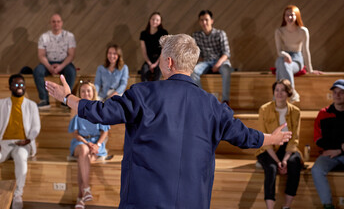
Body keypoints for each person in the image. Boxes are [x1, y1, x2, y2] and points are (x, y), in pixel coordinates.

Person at [46, 34, 292, 209]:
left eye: (162, 56)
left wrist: (67, 98)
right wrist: (273, 137)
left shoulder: (143, 93)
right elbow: (244, 136)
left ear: (169, 62)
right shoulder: (212, 105)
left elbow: (101, 113)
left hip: (144, 200)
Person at [0, 74, 40, 209]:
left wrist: (29, 139)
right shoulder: (1, 103)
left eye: (22, 84)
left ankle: (17, 195)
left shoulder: (31, 105)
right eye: (16, 84)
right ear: (10, 87)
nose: (19, 87)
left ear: (25, 86)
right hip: (3, 142)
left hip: (23, 143)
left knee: (21, 157)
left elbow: (36, 127)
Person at [255, 79, 302, 209]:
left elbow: (294, 139)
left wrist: (285, 160)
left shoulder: (296, 111)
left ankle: (287, 206)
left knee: (294, 163)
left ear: (288, 93)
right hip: (268, 148)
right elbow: (264, 138)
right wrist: (277, 161)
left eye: (283, 90)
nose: (279, 93)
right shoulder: (264, 109)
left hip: (286, 149)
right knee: (271, 168)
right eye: (277, 90)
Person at [68, 81, 110, 209]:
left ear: (93, 93)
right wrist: (87, 143)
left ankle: (81, 197)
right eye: (83, 91)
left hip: (96, 143)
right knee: (83, 150)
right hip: (81, 141)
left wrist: (96, 145)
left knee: (84, 161)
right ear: (79, 94)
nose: (86, 93)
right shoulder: (75, 108)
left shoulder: (99, 107)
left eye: (88, 91)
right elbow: (75, 134)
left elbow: (105, 131)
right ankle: (85, 188)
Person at [274, 5, 322, 102]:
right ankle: (292, 93)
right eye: (287, 15)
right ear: (284, 17)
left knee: (281, 65)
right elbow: (279, 51)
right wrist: (285, 54)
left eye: (292, 15)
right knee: (281, 61)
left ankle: (277, 97)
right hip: (284, 57)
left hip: (297, 59)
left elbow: (306, 51)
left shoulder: (303, 31)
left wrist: (310, 69)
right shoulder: (279, 31)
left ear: (297, 16)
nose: (289, 18)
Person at [311, 79, 344, 209]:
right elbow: (318, 139)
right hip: (329, 154)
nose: (337, 95)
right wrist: (340, 147)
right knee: (317, 170)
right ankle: (328, 205)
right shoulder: (323, 113)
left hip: (336, 152)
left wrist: (339, 150)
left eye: (341, 92)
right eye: (335, 92)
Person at [33, 13, 77, 109]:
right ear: (50, 23)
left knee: (71, 71)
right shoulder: (44, 37)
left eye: (58, 21)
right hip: (48, 63)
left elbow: (71, 55)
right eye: (53, 21)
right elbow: (41, 55)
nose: (56, 24)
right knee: (37, 71)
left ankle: (66, 100)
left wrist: (61, 66)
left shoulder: (69, 36)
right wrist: (49, 66)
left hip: (65, 62)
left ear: (61, 23)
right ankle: (44, 100)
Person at [191, 10, 232, 104]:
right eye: (202, 20)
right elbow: (195, 53)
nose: (204, 22)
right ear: (199, 22)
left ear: (212, 21)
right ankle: (202, 99)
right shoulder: (196, 36)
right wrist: (201, 61)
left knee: (226, 69)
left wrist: (217, 64)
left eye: (206, 20)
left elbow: (226, 53)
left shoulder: (220, 33)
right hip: (205, 62)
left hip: (220, 61)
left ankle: (225, 100)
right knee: (193, 71)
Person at [139, 12, 168, 81]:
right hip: (149, 60)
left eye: (157, 20)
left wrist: (155, 64)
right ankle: (145, 91)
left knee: (159, 72)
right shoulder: (143, 34)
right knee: (144, 71)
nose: (154, 21)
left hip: (160, 59)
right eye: (153, 19)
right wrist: (149, 63)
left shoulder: (163, 33)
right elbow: (144, 51)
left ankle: (156, 91)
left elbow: (163, 50)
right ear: (150, 20)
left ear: (160, 22)